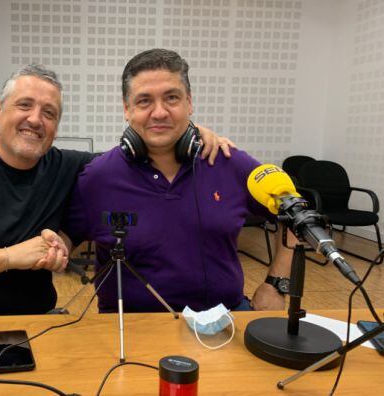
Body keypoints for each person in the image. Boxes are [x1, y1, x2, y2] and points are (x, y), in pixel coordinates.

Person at [0, 64, 232, 317]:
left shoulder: (69, 168)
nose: (35, 120)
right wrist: (9, 257)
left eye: (49, 113)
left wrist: (187, 133)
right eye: (25, 105)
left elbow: (138, 155)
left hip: (33, 323)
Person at [62, 49, 294, 314]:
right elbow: (67, 235)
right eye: (144, 101)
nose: (159, 112)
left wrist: (276, 284)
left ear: (189, 103)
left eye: (171, 98)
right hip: (130, 328)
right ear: (127, 109)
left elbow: (293, 215)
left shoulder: (229, 162)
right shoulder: (98, 177)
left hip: (223, 319)